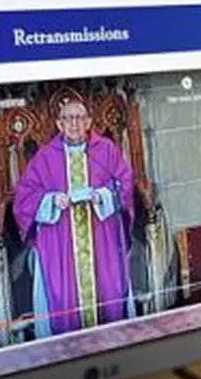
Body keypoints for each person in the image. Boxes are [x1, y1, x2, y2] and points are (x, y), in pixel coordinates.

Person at [12, 91, 136, 336]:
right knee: (63, 299)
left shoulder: (107, 150)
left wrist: (102, 196)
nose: (74, 123)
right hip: (61, 241)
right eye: (68, 118)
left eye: (79, 117)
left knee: (109, 291)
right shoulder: (44, 157)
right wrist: (51, 201)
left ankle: (113, 342)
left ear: (89, 122)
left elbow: (126, 183)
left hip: (102, 237)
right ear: (59, 124)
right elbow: (23, 200)